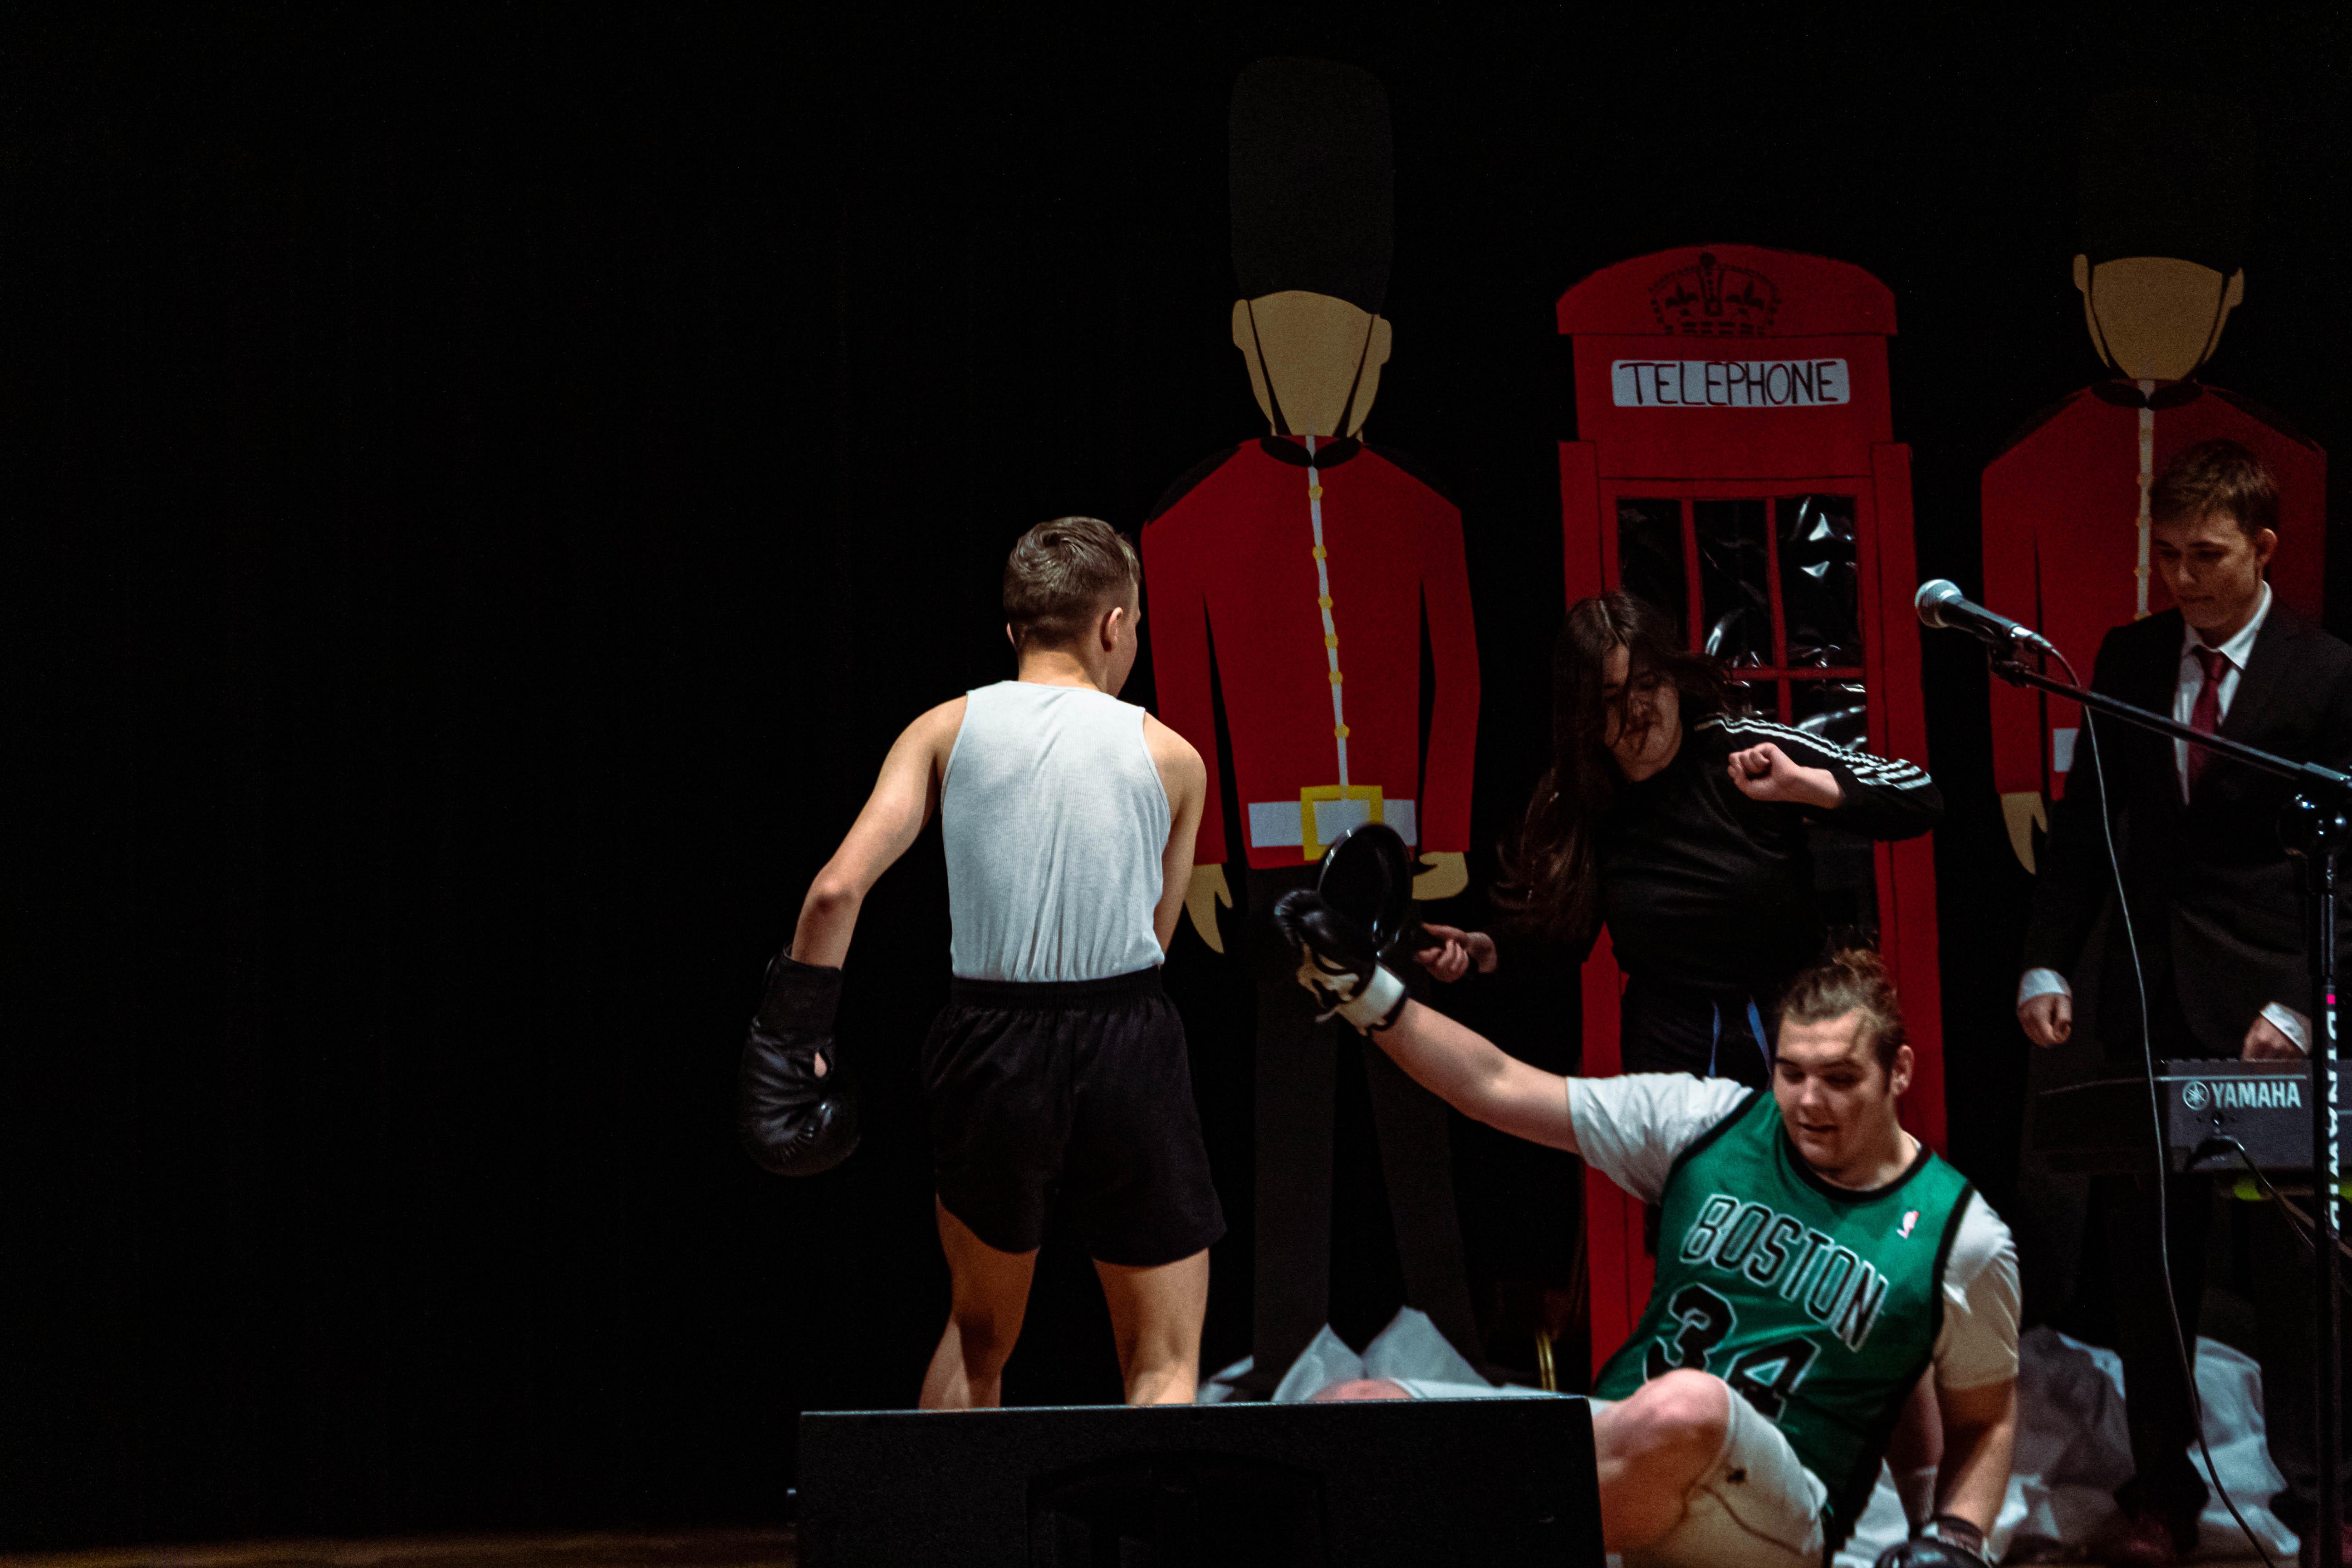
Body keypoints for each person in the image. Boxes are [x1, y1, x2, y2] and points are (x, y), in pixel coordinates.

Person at [1277, 865, 2019, 1568]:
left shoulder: (1961, 1234)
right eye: (1791, 1073)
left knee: (1688, 1403)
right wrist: (1364, 993)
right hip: (1628, 1457)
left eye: (1839, 1078)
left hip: (1773, 1510)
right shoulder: (1708, 1122)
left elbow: (1982, 1417)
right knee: (1357, 1409)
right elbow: (1494, 1083)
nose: (1808, 1102)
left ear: (1898, 1071)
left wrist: (1952, 1538)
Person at [737, 515, 1225, 1408]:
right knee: (1162, 1363)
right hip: (1127, 1038)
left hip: (991, 1047)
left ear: (1014, 630)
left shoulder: (943, 730)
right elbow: (1155, 941)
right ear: (1114, 624)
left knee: (977, 1340)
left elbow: (835, 892)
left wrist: (791, 1039)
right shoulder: (1174, 758)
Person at [2018, 439, 2352, 1567]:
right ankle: (2159, 1490)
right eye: (2165, 555)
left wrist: (2301, 1005)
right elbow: (2083, 825)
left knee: (2293, 1273)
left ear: (2262, 547)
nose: (2182, 577)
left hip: (2270, 1012)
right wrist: (2047, 962)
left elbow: (2351, 866)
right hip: (2148, 997)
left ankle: (2322, 1498)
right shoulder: (2126, 655)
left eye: (2205, 555)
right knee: (2150, 1263)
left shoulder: (2326, 672)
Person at [1421, 590, 1942, 1088]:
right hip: (1670, 1046)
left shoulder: (1742, 749)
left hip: (1796, 1024)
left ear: (1674, 680)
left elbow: (1919, 794)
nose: (1637, 711)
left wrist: (1805, 787)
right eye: (1612, 697)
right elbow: (1562, 934)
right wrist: (1485, 950)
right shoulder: (1584, 796)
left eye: (1648, 685)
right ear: (1584, 714)